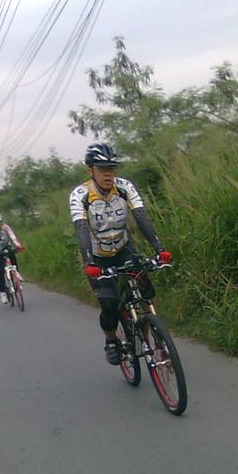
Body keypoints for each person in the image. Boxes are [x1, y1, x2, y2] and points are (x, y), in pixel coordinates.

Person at [69, 143, 172, 365]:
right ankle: (111, 341)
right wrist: (88, 262)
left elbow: (141, 217)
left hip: (124, 248)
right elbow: (81, 229)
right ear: (90, 170)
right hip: (97, 257)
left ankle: (151, 334)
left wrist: (160, 249)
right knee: (109, 306)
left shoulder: (125, 187)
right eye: (102, 168)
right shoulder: (80, 195)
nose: (108, 174)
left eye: (112, 168)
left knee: (146, 292)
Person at [0, 211, 24, 304]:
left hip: (6, 246)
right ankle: (3, 293)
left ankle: (16, 273)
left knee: (13, 257)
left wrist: (18, 245)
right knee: (0, 271)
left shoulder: (6, 227)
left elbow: (12, 236)